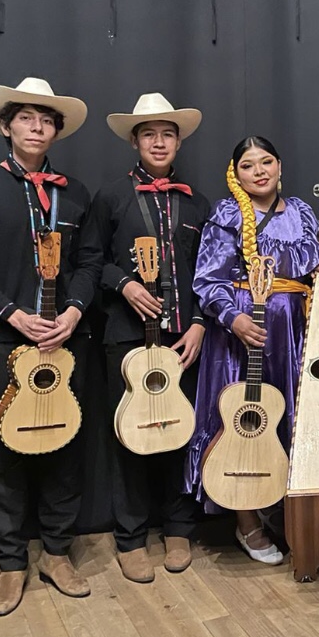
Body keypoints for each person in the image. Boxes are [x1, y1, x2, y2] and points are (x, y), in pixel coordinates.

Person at [0, 77, 102, 615]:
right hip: (1, 342)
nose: (36, 128)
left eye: (46, 120)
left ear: (56, 131)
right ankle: (12, 561)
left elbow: (90, 263)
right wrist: (12, 314)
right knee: (5, 454)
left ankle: (57, 553)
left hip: (66, 341)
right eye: (26, 118)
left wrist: (73, 311)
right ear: (5, 125)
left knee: (65, 447)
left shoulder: (75, 192)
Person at [187, 136, 319, 563]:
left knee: (289, 416)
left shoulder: (301, 211)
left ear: (280, 165)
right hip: (241, 333)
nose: (260, 171)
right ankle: (246, 520)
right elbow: (208, 279)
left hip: (292, 332)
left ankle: (287, 512)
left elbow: (316, 267)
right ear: (236, 175)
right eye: (248, 166)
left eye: (266, 162)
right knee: (243, 418)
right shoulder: (227, 214)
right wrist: (233, 318)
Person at [86, 93, 209, 582]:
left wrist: (199, 322)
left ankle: (178, 527)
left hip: (183, 337)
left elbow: (208, 272)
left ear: (179, 142)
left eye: (167, 134)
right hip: (125, 337)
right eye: (149, 134)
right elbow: (89, 260)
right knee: (130, 436)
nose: (159, 142)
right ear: (135, 141)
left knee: (180, 432)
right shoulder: (111, 196)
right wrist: (125, 283)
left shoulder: (197, 202)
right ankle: (131, 537)